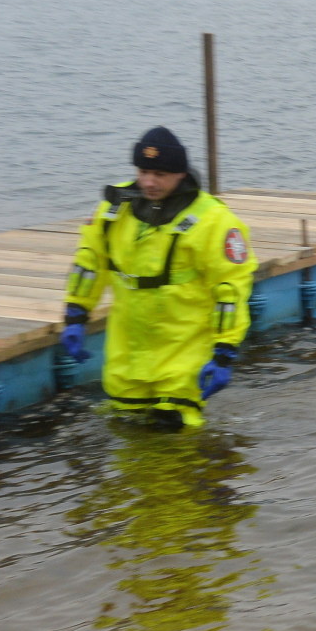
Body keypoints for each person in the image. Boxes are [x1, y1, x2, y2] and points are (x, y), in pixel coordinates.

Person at [59, 126, 258, 428]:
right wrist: (76, 314)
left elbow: (231, 289)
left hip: (183, 348)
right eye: (144, 172)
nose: (149, 182)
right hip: (127, 348)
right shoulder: (114, 209)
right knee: (125, 429)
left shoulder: (214, 221)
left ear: (180, 174)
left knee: (176, 433)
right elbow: (89, 263)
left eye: (160, 175)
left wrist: (225, 352)